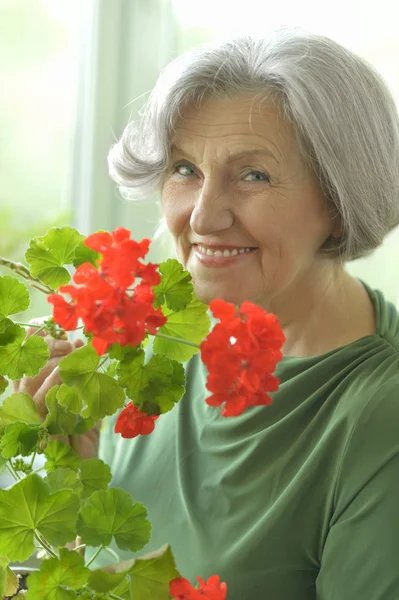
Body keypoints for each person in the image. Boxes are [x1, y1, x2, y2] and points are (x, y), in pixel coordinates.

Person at [17, 28, 399, 599]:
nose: (202, 217)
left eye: (254, 175)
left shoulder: (379, 416)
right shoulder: (136, 346)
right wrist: (76, 479)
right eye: (185, 169)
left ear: (340, 205)